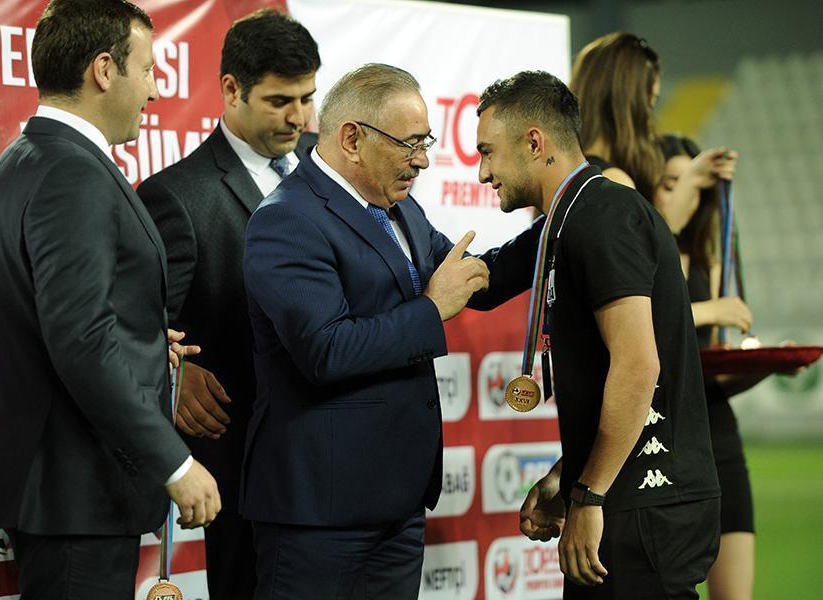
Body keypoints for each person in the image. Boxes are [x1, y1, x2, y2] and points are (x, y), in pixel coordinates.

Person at [241, 63, 542, 598]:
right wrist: (431, 309)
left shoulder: (399, 207)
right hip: (319, 514)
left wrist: (560, 218)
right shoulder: (286, 219)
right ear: (352, 139)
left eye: (425, 142)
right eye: (410, 144)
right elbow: (326, 350)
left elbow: (475, 279)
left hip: (398, 506)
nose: (422, 160)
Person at [0, 1, 220, 597]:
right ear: (104, 70)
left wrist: (140, 341)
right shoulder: (73, 173)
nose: (154, 92)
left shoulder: (16, 164)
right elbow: (80, 339)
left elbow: (5, 328)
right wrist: (174, 462)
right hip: (77, 494)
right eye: (148, 70)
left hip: (60, 496)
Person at [476, 70, 721, 599]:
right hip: (623, 497)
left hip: (641, 503)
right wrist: (569, 477)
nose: (482, 172)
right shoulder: (569, 220)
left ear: (534, 142)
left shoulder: (602, 216)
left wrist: (588, 495)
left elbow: (638, 367)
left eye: (488, 152)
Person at [137, 9, 319, 598]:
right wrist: (176, 373)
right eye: (279, 101)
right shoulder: (176, 196)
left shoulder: (336, 165)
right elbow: (138, 326)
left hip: (342, 460)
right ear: (232, 89)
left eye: (307, 98)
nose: (298, 118)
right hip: (246, 474)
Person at [657, 134, 760, 600]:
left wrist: (765, 366)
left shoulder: (708, 259)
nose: (686, 195)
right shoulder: (636, 257)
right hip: (663, 442)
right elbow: (646, 331)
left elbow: (710, 375)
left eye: (695, 185)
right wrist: (710, 310)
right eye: (671, 183)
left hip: (718, 436)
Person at [570, 31, 733, 231]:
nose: (650, 116)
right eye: (651, 101)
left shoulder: (565, 177)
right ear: (630, 101)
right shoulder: (614, 183)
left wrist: (692, 179)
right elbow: (648, 248)